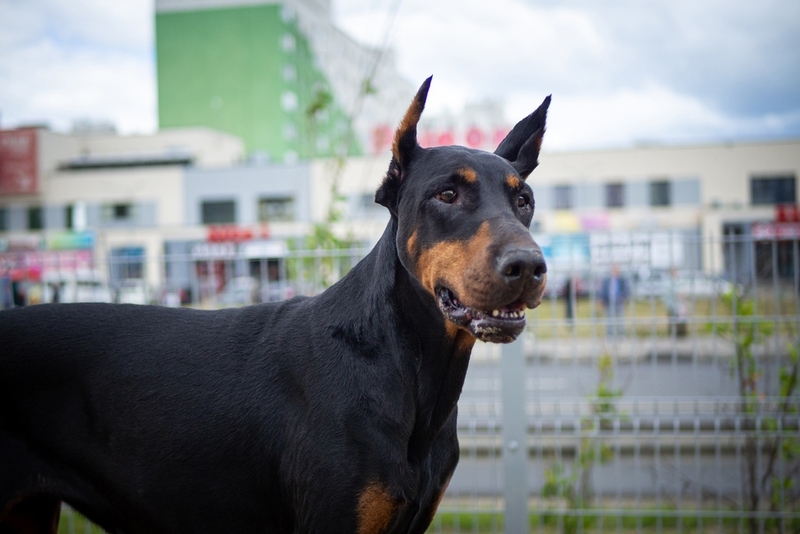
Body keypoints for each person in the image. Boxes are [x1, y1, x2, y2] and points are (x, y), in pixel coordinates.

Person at [598, 264, 629, 337]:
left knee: (620, 319)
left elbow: (626, 290)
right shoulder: (607, 280)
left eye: (616, 269)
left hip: (619, 301)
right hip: (609, 302)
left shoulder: (622, 280)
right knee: (609, 319)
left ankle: (621, 334)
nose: (614, 271)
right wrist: (601, 299)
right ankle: (610, 335)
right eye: (613, 269)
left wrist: (624, 298)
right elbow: (603, 290)